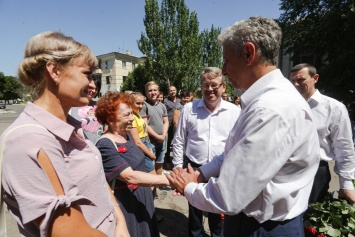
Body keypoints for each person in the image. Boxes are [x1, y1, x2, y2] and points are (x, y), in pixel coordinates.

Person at [167, 16, 320, 236]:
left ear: (249, 53)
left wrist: (188, 186)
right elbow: (233, 154)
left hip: (262, 227)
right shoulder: (263, 102)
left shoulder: (270, 109)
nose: (225, 70)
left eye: (227, 61)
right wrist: (201, 173)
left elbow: (228, 196)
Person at [0, 31, 129, 237]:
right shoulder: (29, 141)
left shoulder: (72, 126)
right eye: (87, 74)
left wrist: (119, 219)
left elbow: (97, 179)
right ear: (55, 71)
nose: (93, 84)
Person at [173, 67, 240, 237]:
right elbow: (179, 140)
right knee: (195, 212)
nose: (209, 89)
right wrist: (178, 168)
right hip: (194, 168)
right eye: (205, 85)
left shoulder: (234, 111)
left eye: (214, 85)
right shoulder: (189, 109)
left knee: (217, 211)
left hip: (221, 170)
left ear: (224, 87)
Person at [95, 91, 170, 237]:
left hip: (142, 197)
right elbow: (130, 176)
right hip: (126, 204)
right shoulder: (105, 144)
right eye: (126, 115)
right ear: (110, 119)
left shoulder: (127, 135)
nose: (132, 118)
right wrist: (170, 179)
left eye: (132, 113)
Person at [290, 63, 355, 204]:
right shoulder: (286, 105)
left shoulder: (334, 108)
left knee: (310, 220)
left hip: (316, 172)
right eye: (292, 80)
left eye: (301, 80)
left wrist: (346, 183)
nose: (295, 84)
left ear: (315, 78)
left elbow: (344, 147)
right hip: (286, 170)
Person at [140, 81, 169, 193]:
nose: (153, 92)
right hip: (150, 141)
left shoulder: (162, 106)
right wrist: (157, 136)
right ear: (146, 93)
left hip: (162, 140)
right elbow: (145, 125)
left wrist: (163, 135)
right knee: (150, 167)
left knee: (159, 163)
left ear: (158, 91)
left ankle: (156, 189)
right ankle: (150, 192)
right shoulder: (144, 106)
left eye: (154, 90)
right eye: (150, 90)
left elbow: (166, 122)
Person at [130, 92, 156, 173]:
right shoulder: (132, 117)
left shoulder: (137, 114)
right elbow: (137, 142)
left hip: (146, 144)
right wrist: (151, 154)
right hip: (142, 147)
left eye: (142, 103)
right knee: (152, 175)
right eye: (138, 103)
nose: (141, 106)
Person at [70, 79, 103, 143]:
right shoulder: (71, 107)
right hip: (80, 148)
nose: (94, 91)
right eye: (90, 87)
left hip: (100, 146)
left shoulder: (100, 106)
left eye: (97, 89)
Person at [164, 86, 181, 168]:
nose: (172, 92)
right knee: (168, 144)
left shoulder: (180, 101)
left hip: (178, 126)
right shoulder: (165, 101)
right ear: (168, 92)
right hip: (169, 126)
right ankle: (167, 161)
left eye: (174, 90)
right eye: (171, 90)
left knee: (177, 144)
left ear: (176, 91)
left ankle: (177, 161)